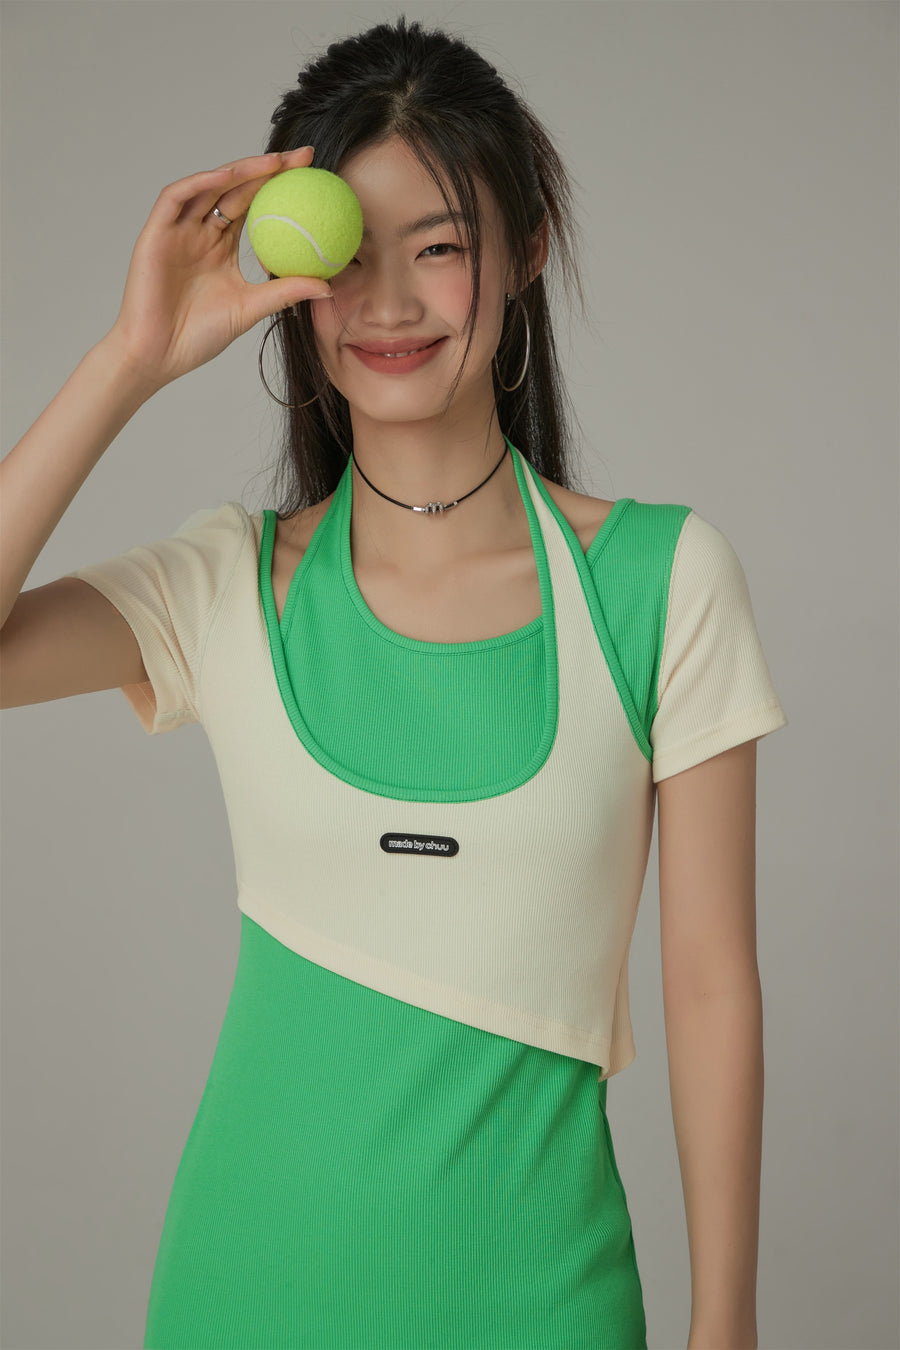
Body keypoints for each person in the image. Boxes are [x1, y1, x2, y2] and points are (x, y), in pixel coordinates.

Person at [0, 15, 788, 1350]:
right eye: (346, 255)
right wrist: (128, 360)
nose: (386, 305)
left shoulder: (662, 580)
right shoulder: (226, 586)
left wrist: (729, 1324)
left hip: (544, 1302)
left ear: (526, 247)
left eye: (439, 246)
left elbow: (711, 984)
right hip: (243, 1295)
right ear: (292, 275)